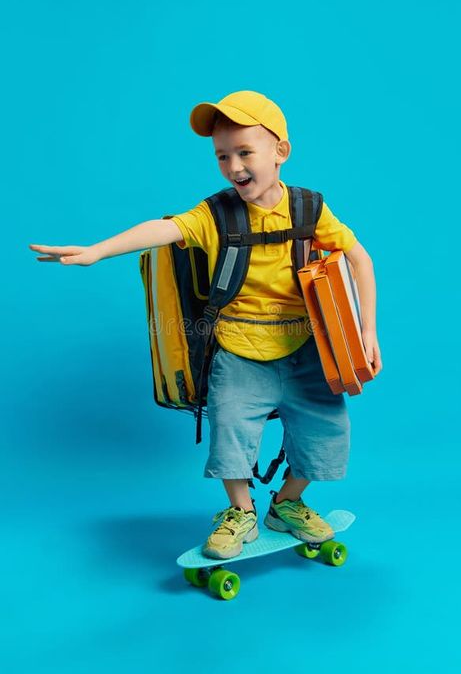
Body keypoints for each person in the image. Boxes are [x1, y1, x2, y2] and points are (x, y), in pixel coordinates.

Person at [29, 90, 382, 560]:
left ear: (280, 152)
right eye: (222, 155)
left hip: (306, 348)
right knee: (230, 430)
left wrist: (365, 330)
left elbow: (359, 258)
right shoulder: (215, 215)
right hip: (238, 349)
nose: (234, 165)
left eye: (244, 152)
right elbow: (160, 230)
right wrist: (98, 250)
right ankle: (241, 511)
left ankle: (287, 503)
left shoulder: (308, 210)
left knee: (327, 431)